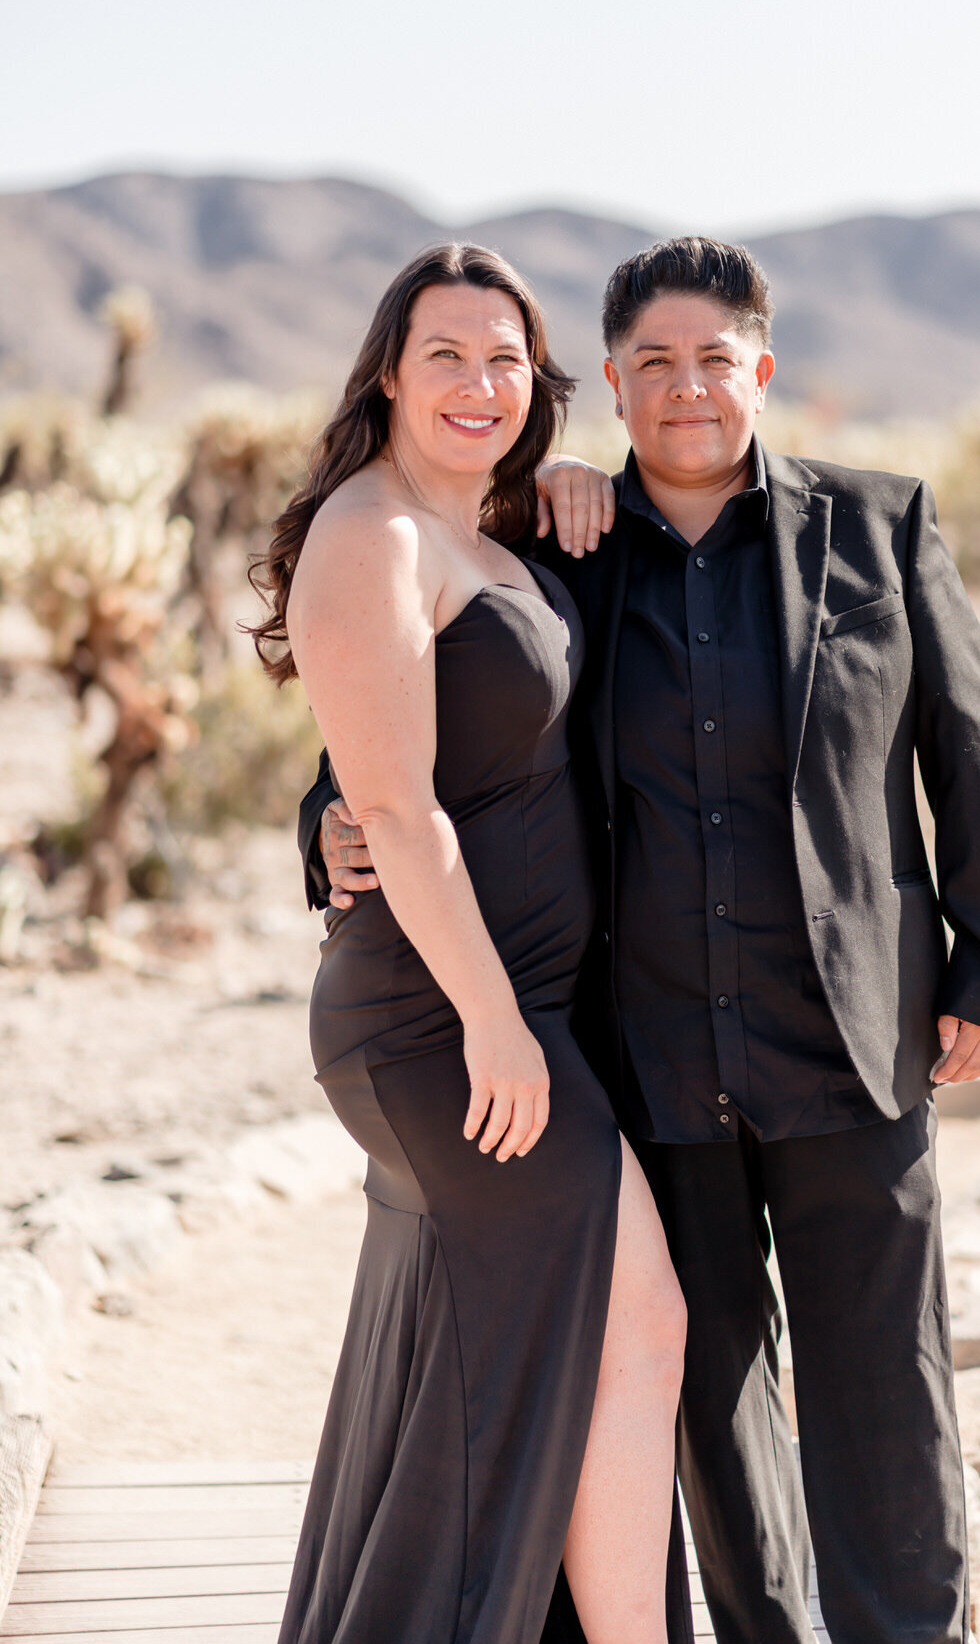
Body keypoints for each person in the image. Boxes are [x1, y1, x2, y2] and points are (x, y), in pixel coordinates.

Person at [305, 237, 980, 1644]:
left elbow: (970, 751)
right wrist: (325, 821)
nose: (688, 389)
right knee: (705, 1396)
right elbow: (425, 722)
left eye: (714, 360)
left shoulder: (880, 527)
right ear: (618, 393)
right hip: (647, 1052)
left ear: (761, 370)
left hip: (849, 1037)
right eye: (654, 365)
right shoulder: (560, 546)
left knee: (883, 1381)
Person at [256, 242, 690, 1644]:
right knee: (624, 1328)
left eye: (505, 359)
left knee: (576, 1343)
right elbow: (390, 799)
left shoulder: (483, 535)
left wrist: (577, 487)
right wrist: (499, 1022)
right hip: (446, 1023)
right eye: (445, 353)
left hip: (511, 1018)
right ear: (387, 370)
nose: (478, 382)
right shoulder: (368, 534)